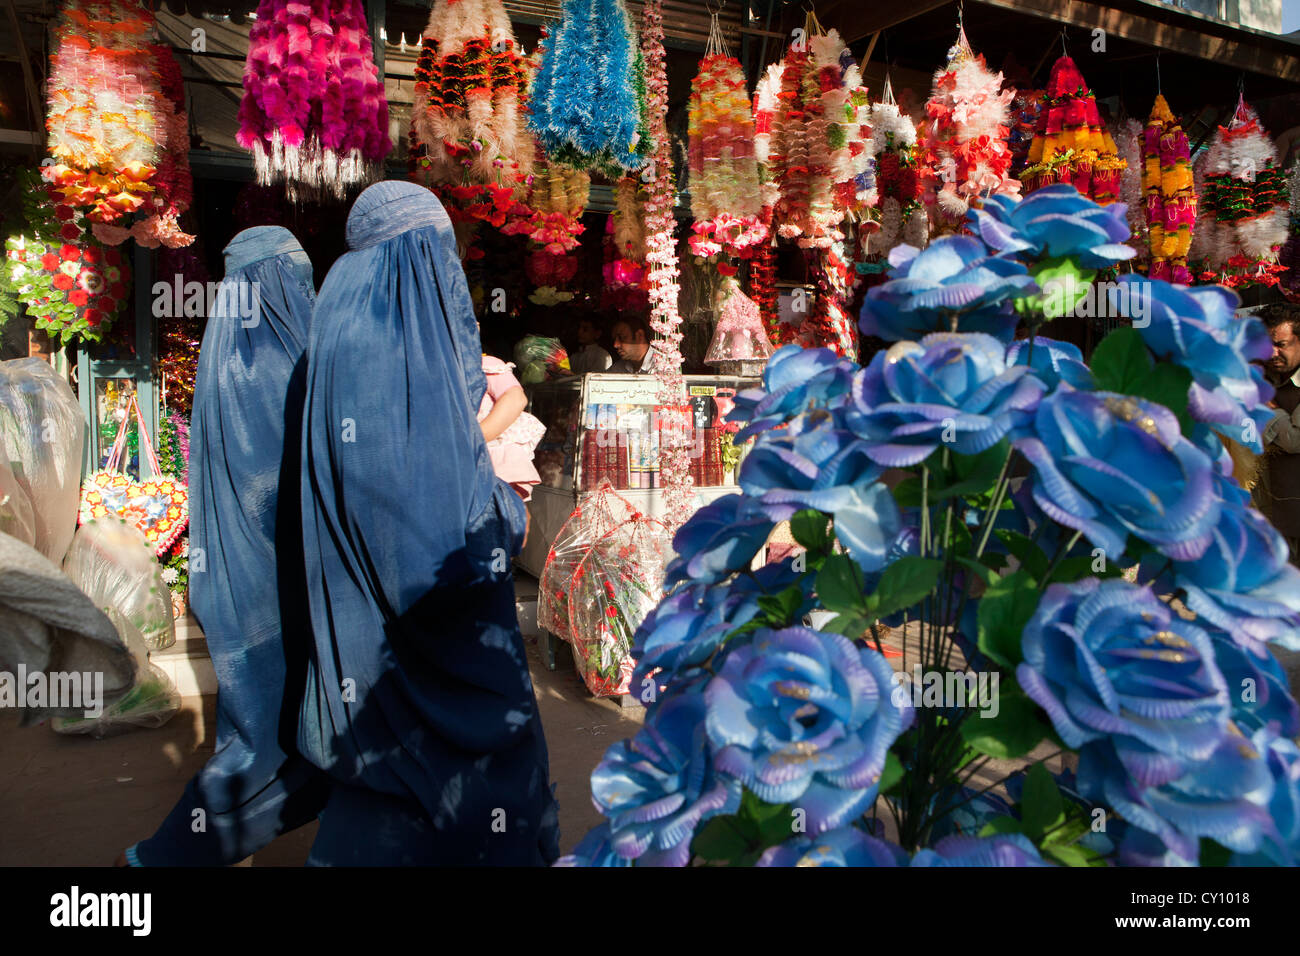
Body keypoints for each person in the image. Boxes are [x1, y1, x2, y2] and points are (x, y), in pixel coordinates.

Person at [298, 180, 559, 865]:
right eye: (445, 256)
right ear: (424, 258)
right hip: (436, 670)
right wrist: (503, 515)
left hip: (361, 660)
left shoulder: (336, 322)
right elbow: (436, 536)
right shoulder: (399, 351)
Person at [122, 226, 330, 866]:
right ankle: (163, 859)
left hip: (240, 584)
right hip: (277, 585)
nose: (307, 293)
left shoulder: (224, 355)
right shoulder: (282, 362)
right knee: (278, 738)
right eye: (299, 280)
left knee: (270, 732)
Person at [1258, 303, 1300, 564]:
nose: (1272, 353)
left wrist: (1269, 412)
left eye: (1281, 344)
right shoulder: (1264, 379)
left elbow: (1295, 441)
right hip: (1273, 515)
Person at [480, 352, 545, 501]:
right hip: (458, 458)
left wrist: (473, 441)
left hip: (491, 454)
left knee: (503, 510)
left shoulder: (485, 365)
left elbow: (515, 399)